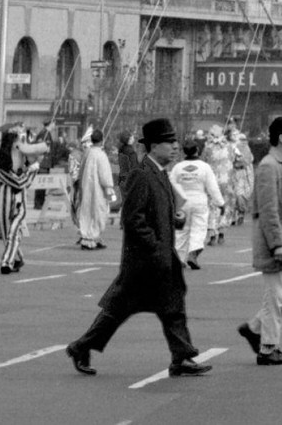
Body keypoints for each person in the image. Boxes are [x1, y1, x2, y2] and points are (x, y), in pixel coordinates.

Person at [64, 118, 211, 378]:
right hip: (145, 262)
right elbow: (133, 220)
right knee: (119, 310)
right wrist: (155, 248)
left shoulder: (159, 173)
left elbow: (156, 213)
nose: (176, 147)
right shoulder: (141, 175)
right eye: (170, 142)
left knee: (172, 306)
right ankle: (81, 346)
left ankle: (182, 356)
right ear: (154, 146)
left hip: (159, 258)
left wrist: (175, 219)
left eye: (176, 142)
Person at [241, 115, 282, 367]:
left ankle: (255, 328)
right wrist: (277, 244)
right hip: (275, 243)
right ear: (281, 138)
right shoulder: (270, 165)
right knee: (276, 295)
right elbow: (268, 209)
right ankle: (268, 347)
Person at [0, 123, 49, 275]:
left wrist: (33, 162)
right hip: (3, 201)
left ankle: (6, 262)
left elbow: (24, 176)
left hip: (18, 204)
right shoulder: (4, 171)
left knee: (13, 233)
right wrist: (34, 167)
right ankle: (17, 258)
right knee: (7, 233)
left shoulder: (18, 159)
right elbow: (22, 182)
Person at [169, 137, 224, 270]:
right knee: (198, 229)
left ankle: (179, 258)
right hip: (199, 201)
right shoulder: (204, 167)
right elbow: (212, 187)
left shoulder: (177, 167)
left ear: (183, 152)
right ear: (197, 151)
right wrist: (220, 203)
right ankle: (193, 254)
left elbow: (170, 185)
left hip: (181, 202)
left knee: (181, 231)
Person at [76, 128, 116, 251]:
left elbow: (80, 171)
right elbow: (105, 176)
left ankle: (88, 236)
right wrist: (109, 188)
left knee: (86, 211)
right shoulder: (101, 155)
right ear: (102, 140)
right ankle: (92, 237)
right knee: (99, 212)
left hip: (86, 188)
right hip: (98, 190)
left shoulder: (87, 153)